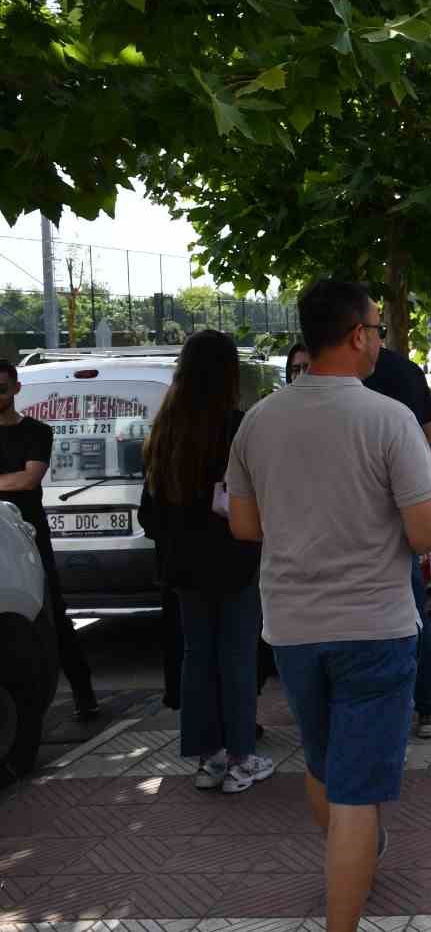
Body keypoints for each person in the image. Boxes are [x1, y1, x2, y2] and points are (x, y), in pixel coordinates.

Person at [227, 280, 431, 932]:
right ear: (356, 335)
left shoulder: (259, 420)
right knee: (357, 792)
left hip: (291, 628)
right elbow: (425, 532)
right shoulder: (389, 419)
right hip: (375, 626)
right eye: (377, 329)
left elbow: (243, 526)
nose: (380, 340)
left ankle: (355, 857)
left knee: (323, 763)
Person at [138, 331, 273, 794]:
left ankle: (207, 758)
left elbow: (148, 513)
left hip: (182, 566)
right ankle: (241, 758)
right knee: (237, 656)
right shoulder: (239, 426)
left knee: (197, 657)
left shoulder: (165, 431)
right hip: (236, 559)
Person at [0, 359, 98, 720]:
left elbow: (28, 480)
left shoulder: (36, 431)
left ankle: (83, 692)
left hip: (29, 537)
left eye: (2, 388)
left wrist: (13, 479)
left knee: (53, 614)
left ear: (16, 389)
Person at [362, 343, 431, 739]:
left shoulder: (285, 407)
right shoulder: (403, 374)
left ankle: (419, 703)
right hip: (401, 514)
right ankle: (428, 704)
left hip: (352, 524)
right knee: (409, 608)